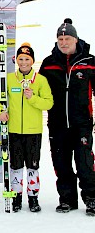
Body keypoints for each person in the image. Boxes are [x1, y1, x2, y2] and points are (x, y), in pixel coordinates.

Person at [40, 21, 95, 216]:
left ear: (75, 39)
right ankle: (67, 199)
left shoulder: (89, 61)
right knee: (61, 164)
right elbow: (39, 90)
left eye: (67, 39)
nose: (63, 43)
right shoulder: (48, 63)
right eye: (60, 39)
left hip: (82, 124)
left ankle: (91, 199)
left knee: (85, 163)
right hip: (57, 124)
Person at [0, 42, 53, 212]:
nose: (23, 62)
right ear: (16, 60)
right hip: (14, 130)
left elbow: (49, 103)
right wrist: (0, 112)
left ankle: (33, 198)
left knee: (33, 166)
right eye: (20, 59)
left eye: (27, 59)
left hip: (33, 132)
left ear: (32, 61)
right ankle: (16, 197)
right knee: (16, 166)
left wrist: (32, 98)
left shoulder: (40, 80)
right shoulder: (9, 79)